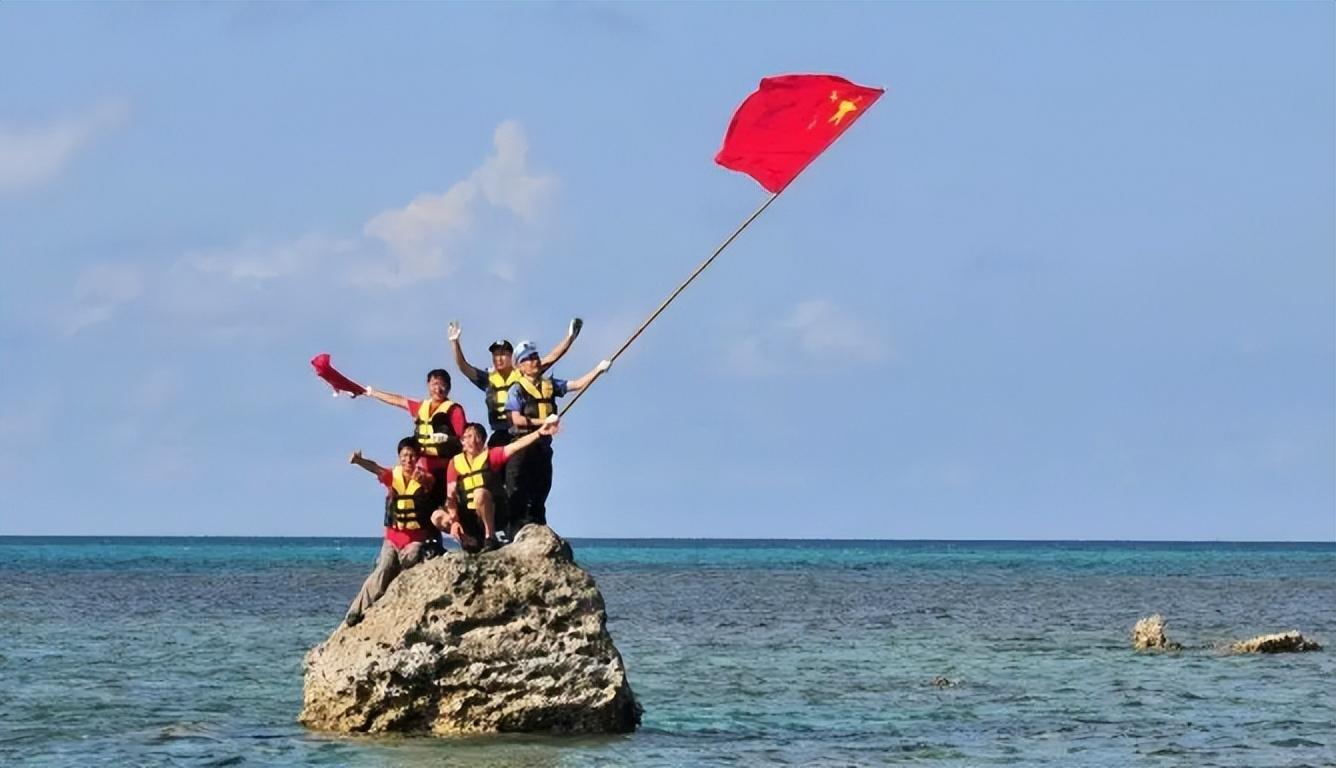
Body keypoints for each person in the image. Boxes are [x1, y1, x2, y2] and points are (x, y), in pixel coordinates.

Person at [505, 341, 610, 532]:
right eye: (527, 359)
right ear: (520, 366)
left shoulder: (550, 385)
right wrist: (543, 422)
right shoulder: (517, 389)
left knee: (542, 486)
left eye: (535, 357)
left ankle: (539, 527)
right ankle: (514, 532)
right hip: (522, 445)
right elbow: (516, 419)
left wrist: (598, 370)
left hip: (543, 447)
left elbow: (577, 385)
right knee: (517, 489)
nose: (533, 361)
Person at [344, 437, 437, 626]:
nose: (408, 460)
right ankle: (355, 611)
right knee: (383, 568)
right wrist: (359, 461)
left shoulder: (425, 477)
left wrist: (424, 479)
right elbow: (376, 468)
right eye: (404, 456)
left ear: (417, 458)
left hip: (415, 540)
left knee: (410, 559)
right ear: (399, 458)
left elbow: (430, 483)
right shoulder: (392, 477)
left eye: (412, 456)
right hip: (393, 539)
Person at [430, 418, 561, 553]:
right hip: (469, 516)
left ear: (481, 440)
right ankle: (469, 540)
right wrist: (454, 520)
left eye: (471, 436)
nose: (467, 440)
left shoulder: (492, 455)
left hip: (493, 512)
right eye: (465, 437)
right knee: (437, 516)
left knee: (480, 493)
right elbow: (450, 496)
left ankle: (490, 537)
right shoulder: (455, 463)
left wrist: (539, 432)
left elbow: (515, 446)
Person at [448, 319, 582, 448]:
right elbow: (464, 367)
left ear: (512, 357)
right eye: (496, 355)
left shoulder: (525, 371)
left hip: (521, 432)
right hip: (500, 435)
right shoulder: (488, 377)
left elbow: (552, 357)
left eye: (503, 354)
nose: (499, 358)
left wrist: (570, 338)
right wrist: (455, 342)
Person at [362, 369, 467, 511]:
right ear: (428, 385)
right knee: (423, 509)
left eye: (443, 385)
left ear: (449, 388)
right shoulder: (421, 407)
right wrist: (370, 392)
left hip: (446, 469)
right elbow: (397, 400)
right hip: (424, 470)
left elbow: (464, 440)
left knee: (449, 510)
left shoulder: (454, 410)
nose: (438, 388)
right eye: (435, 384)